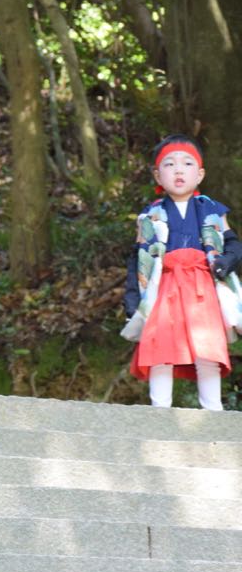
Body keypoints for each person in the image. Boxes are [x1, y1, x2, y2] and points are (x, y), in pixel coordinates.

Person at [122, 135, 240, 410]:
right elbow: (137, 257)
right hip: (164, 285)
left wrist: (229, 258)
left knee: (207, 348)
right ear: (157, 175)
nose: (178, 170)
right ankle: (159, 410)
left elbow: (232, 241)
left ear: (199, 174)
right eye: (169, 164)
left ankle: (213, 411)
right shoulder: (150, 215)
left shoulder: (212, 209)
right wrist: (131, 300)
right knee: (160, 346)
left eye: (187, 163)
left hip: (202, 285)